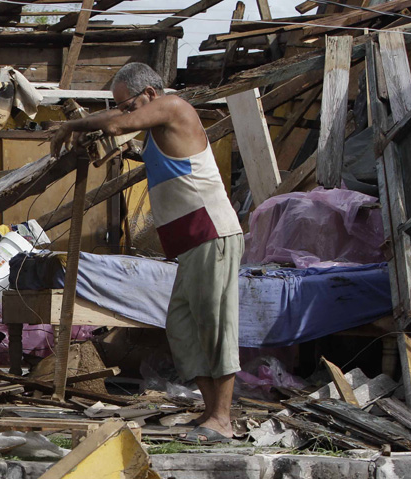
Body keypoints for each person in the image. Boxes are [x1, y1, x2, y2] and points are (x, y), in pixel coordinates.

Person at [50, 62, 244, 444]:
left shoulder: (173, 106)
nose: (124, 112)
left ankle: (222, 419)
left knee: (215, 326)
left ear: (150, 95)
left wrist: (74, 125)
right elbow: (125, 134)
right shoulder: (158, 132)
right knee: (184, 327)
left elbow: (117, 125)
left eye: (128, 104)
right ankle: (210, 413)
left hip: (211, 234)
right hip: (191, 245)